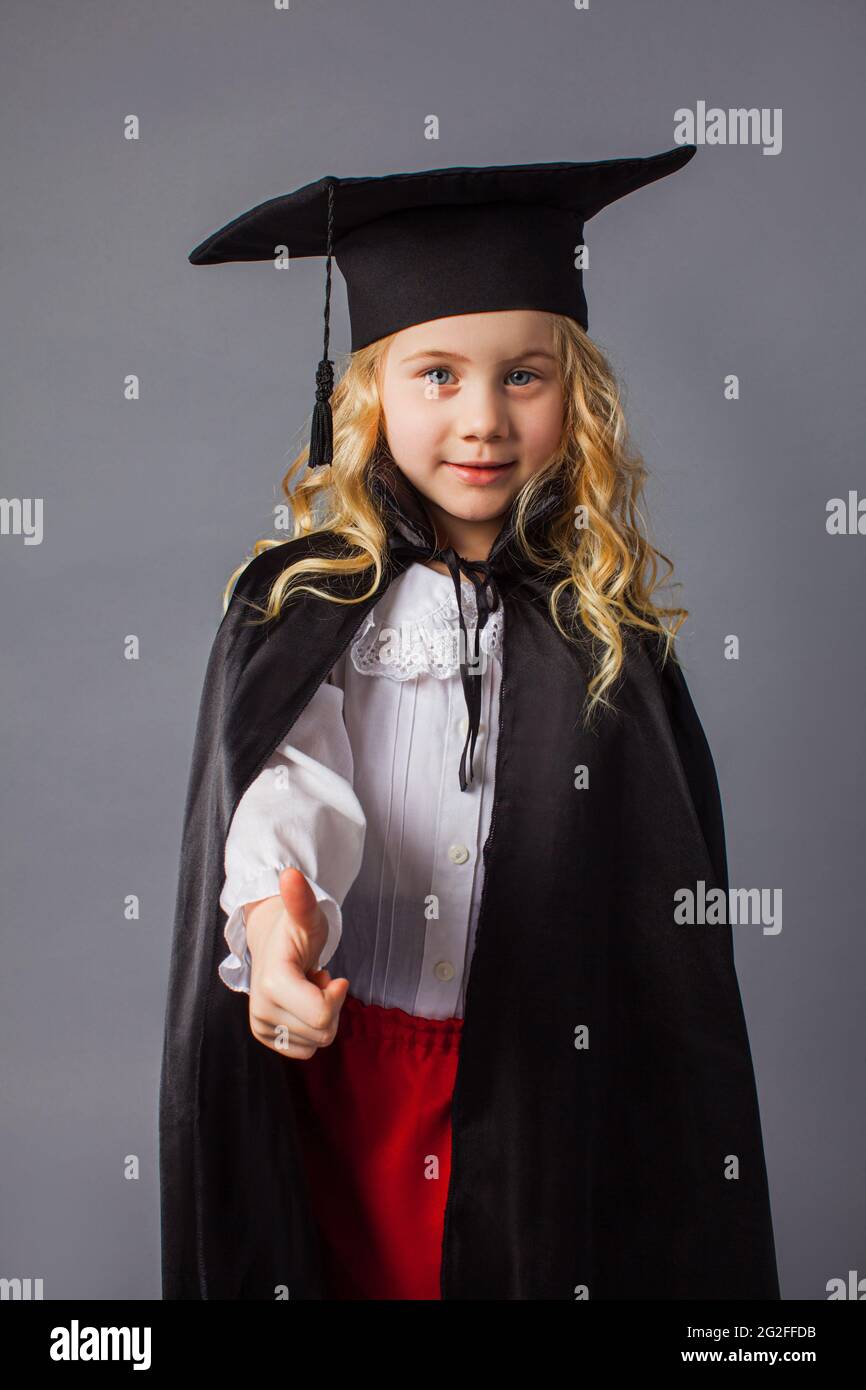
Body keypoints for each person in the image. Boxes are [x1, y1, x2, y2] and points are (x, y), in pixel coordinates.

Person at [159, 149, 781, 1301]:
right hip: (352, 1082)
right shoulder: (307, 604)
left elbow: (656, 920)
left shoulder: (606, 625)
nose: (482, 419)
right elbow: (293, 777)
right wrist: (274, 924)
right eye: (436, 374)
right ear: (367, 395)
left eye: (523, 376)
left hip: (541, 1087)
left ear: (574, 395)